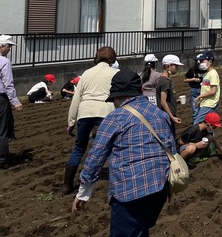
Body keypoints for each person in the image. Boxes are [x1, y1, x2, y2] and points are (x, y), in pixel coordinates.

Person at [71, 69, 175, 237]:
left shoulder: (115, 118)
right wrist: (169, 186)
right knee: (141, 229)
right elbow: (171, 151)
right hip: (159, 186)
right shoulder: (160, 114)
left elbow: (96, 156)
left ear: (117, 97)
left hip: (130, 190)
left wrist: (84, 192)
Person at [63, 46, 119, 195]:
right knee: (112, 147)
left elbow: (76, 98)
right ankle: (117, 180)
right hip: (105, 111)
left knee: (79, 149)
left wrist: (71, 121)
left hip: (85, 112)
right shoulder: (115, 74)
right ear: (112, 59)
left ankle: (67, 185)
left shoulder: (86, 74)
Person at [0, 35, 22, 170]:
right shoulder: (4, 62)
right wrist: (15, 102)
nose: (9, 49)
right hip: (1, 99)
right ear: (2, 47)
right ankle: (2, 160)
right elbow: (8, 84)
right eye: (8, 47)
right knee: (2, 130)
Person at [156, 54, 182, 137]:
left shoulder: (165, 80)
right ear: (168, 66)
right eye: (175, 66)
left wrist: (175, 101)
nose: (177, 68)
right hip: (167, 116)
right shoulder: (165, 82)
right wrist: (172, 117)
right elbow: (163, 101)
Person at [193, 51, 220, 124]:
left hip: (209, 104)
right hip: (205, 103)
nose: (201, 63)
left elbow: (213, 91)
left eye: (202, 61)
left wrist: (199, 96)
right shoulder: (206, 74)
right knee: (207, 124)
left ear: (210, 62)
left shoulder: (213, 74)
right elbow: (205, 90)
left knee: (197, 124)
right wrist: (201, 100)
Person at [183, 55, 204, 122]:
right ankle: (195, 125)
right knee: (195, 110)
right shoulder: (192, 70)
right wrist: (193, 79)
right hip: (194, 90)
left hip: (203, 90)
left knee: (203, 109)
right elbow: (185, 80)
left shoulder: (205, 70)